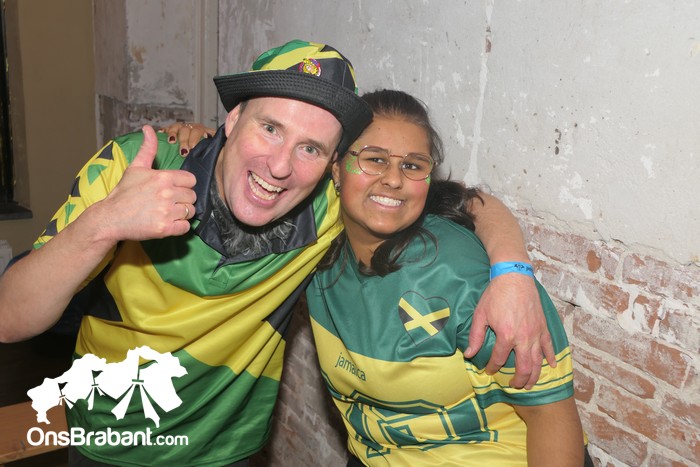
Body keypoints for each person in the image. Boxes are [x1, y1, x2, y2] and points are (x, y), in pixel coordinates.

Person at [0, 40, 547, 466]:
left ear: (333, 165)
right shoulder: (136, 169)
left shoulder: (334, 202)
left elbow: (468, 202)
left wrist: (513, 273)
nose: (281, 166)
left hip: (229, 448)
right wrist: (103, 226)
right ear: (233, 118)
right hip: (112, 439)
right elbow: (10, 318)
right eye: (269, 128)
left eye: (310, 147)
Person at [306, 89, 591, 466]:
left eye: (412, 165)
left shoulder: (461, 272)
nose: (393, 179)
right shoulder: (312, 247)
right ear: (336, 168)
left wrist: (512, 267)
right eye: (374, 159)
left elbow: (550, 416)